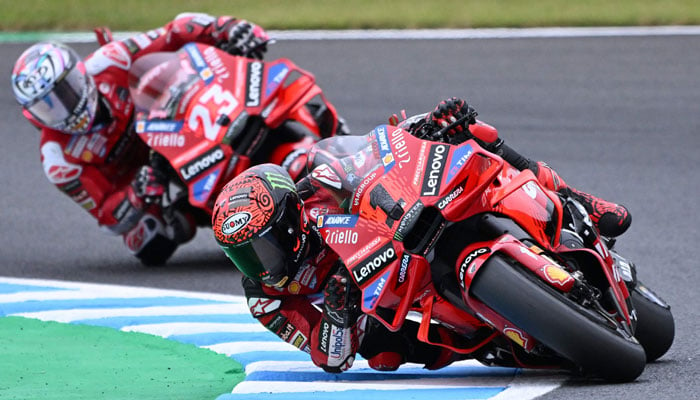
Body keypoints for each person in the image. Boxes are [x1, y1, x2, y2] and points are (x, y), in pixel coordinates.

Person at [211, 98, 632, 373]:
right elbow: (329, 358)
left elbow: (368, 151)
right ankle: (485, 337)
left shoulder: (312, 187)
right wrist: (339, 317)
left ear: (287, 222)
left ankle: (578, 199)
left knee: (470, 133)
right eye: (241, 255)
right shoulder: (265, 298)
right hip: (376, 304)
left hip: (397, 229)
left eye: (258, 248)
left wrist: (426, 125)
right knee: (383, 355)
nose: (254, 265)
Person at [11, 13, 270, 265]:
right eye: (47, 108)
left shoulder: (109, 61)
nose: (63, 111)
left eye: (64, 94)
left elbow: (174, 32)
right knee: (147, 240)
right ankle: (199, 214)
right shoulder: (58, 160)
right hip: (148, 173)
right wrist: (135, 193)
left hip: (179, 117)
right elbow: (106, 213)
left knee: (224, 58)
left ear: (79, 75)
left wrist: (225, 28)